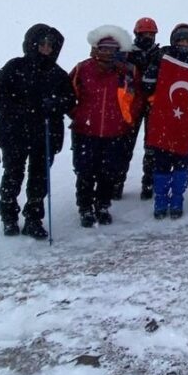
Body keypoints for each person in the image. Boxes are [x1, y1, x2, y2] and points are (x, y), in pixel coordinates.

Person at [0, 24, 76, 239]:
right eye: (43, 43)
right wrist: (18, 110)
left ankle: (33, 219)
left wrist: (54, 104)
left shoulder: (58, 74)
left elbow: (69, 100)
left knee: (39, 179)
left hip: (45, 134)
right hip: (15, 133)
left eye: (50, 44)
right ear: (32, 44)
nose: (46, 48)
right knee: (13, 175)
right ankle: (9, 217)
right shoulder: (15, 67)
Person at [69, 26, 142, 228]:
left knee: (108, 172)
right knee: (85, 172)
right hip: (86, 132)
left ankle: (102, 205)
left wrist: (128, 119)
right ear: (95, 48)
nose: (108, 52)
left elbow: (137, 99)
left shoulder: (128, 71)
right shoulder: (82, 69)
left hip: (115, 131)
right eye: (104, 48)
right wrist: (77, 115)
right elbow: (68, 95)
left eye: (112, 48)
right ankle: (84, 208)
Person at [141, 23, 188, 219]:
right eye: (180, 40)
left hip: (185, 125)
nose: (184, 44)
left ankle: (177, 199)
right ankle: (160, 200)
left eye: (187, 41)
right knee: (160, 163)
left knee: (181, 163)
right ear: (173, 41)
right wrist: (156, 69)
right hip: (163, 122)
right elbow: (147, 85)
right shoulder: (162, 60)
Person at [118, 16, 162, 201]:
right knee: (124, 147)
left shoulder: (160, 55)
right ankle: (116, 183)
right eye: (144, 34)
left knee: (152, 147)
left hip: (153, 104)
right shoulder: (126, 53)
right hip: (132, 105)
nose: (148, 37)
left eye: (151, 34)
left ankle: (148, 183)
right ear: (136, 34)